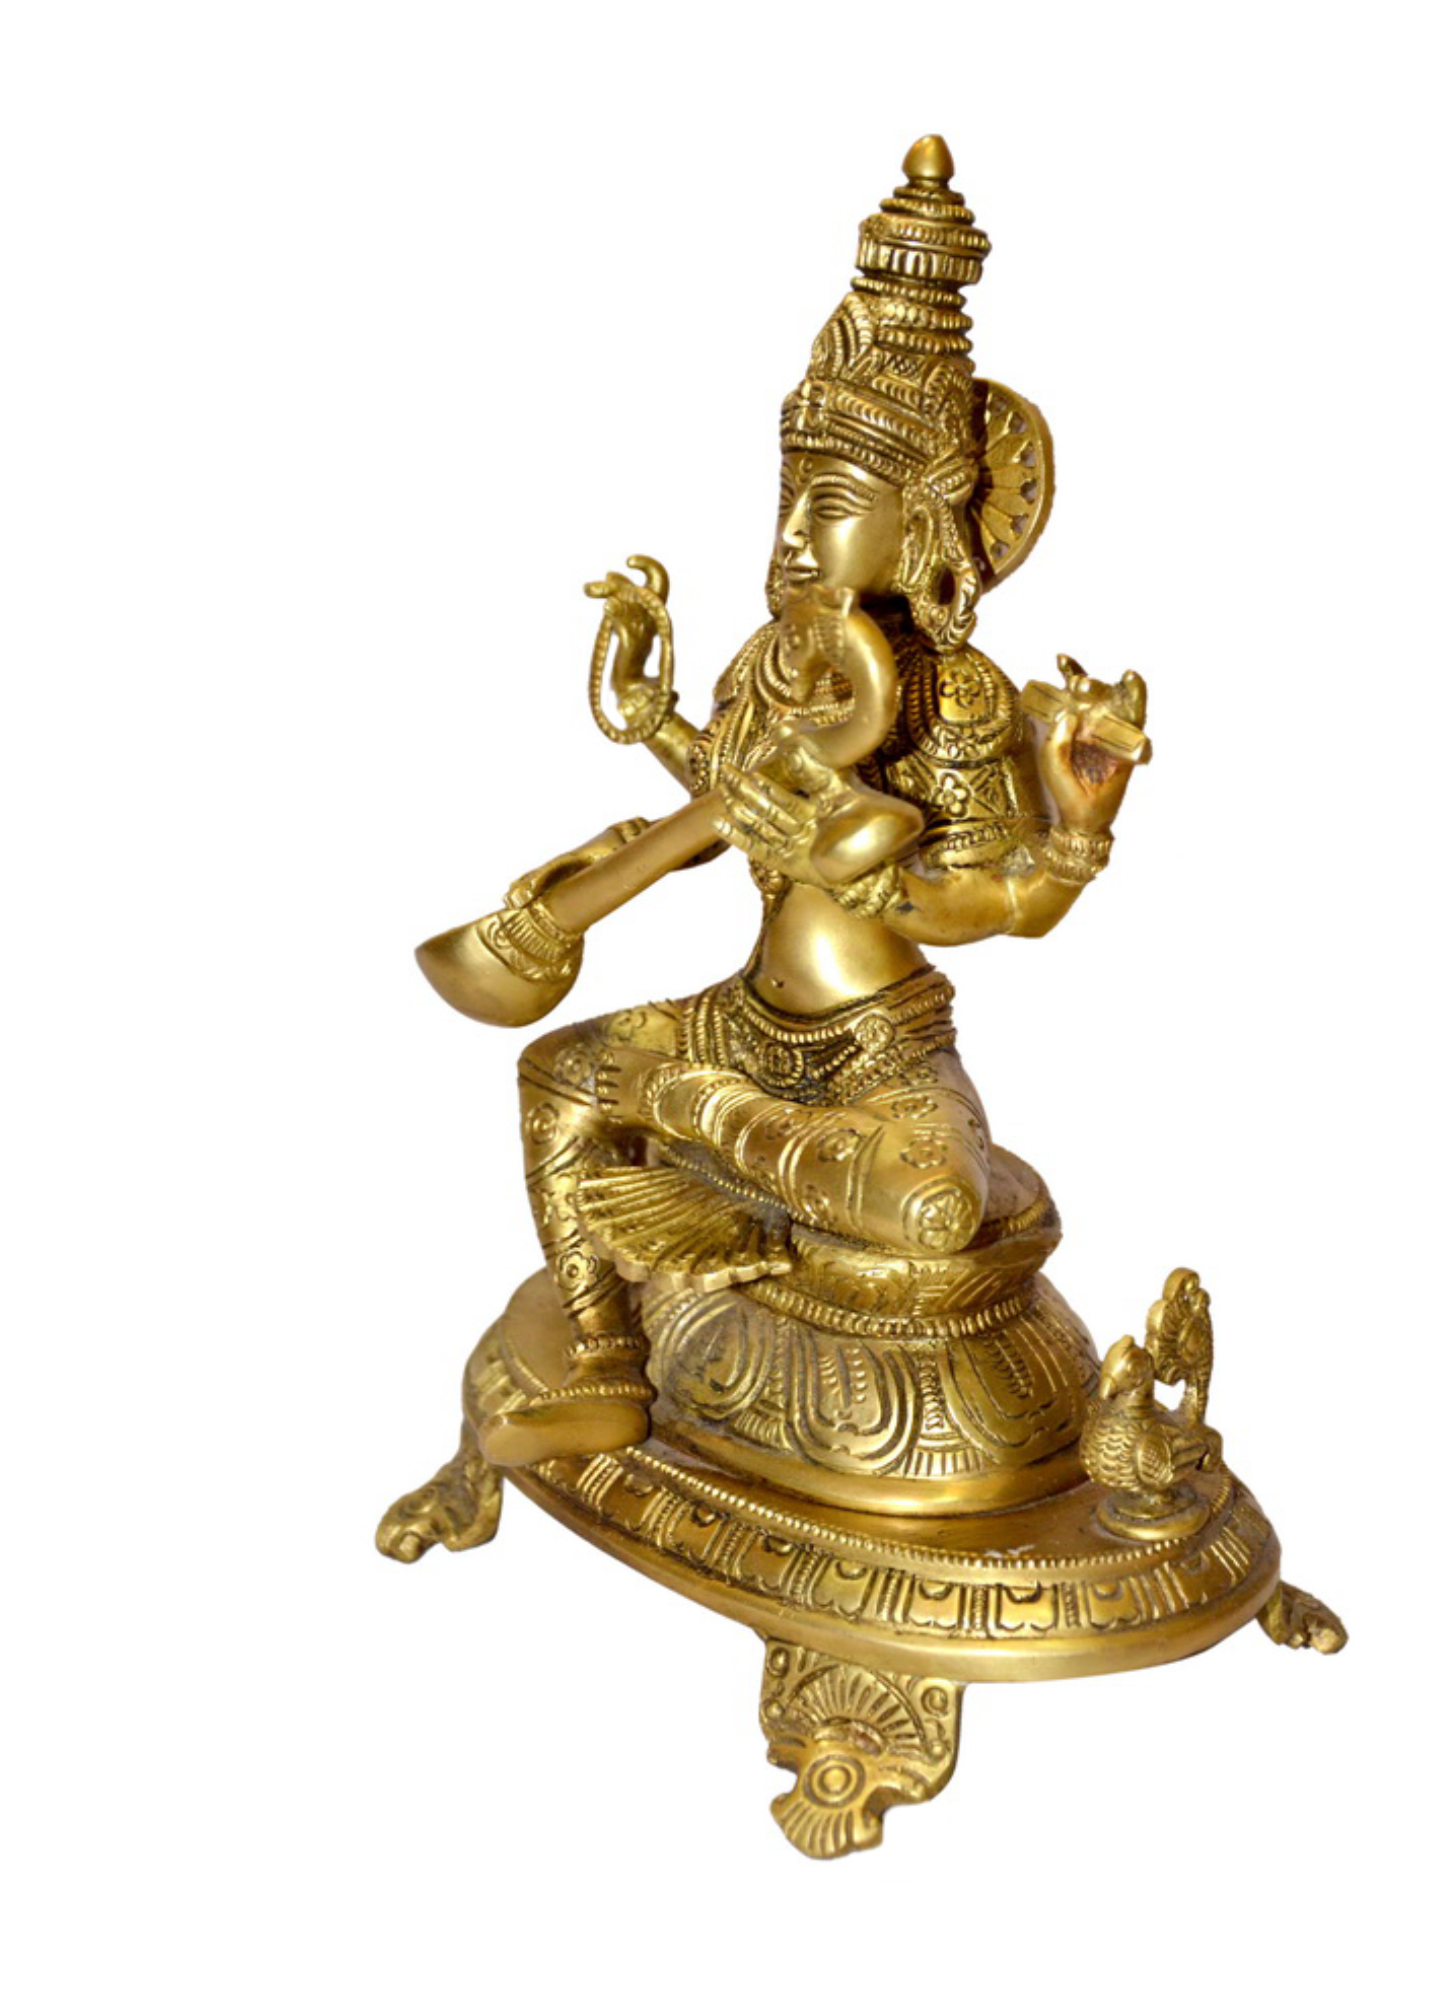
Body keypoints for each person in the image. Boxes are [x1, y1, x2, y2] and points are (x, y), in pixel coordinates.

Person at [492, 136, 1149, 1460]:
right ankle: (605, 1352)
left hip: (878, 1052)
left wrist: (1029, 843)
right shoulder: (777, 666)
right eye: (789, 498)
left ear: (925, 520)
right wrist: (656, 716)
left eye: (832, 504)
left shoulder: (952, 699)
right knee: (556, 1072)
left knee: (934, 1217)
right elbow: (735, 809)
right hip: (745, 1022)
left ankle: (712, 1159)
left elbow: (1006, 903)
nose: (793, 536)